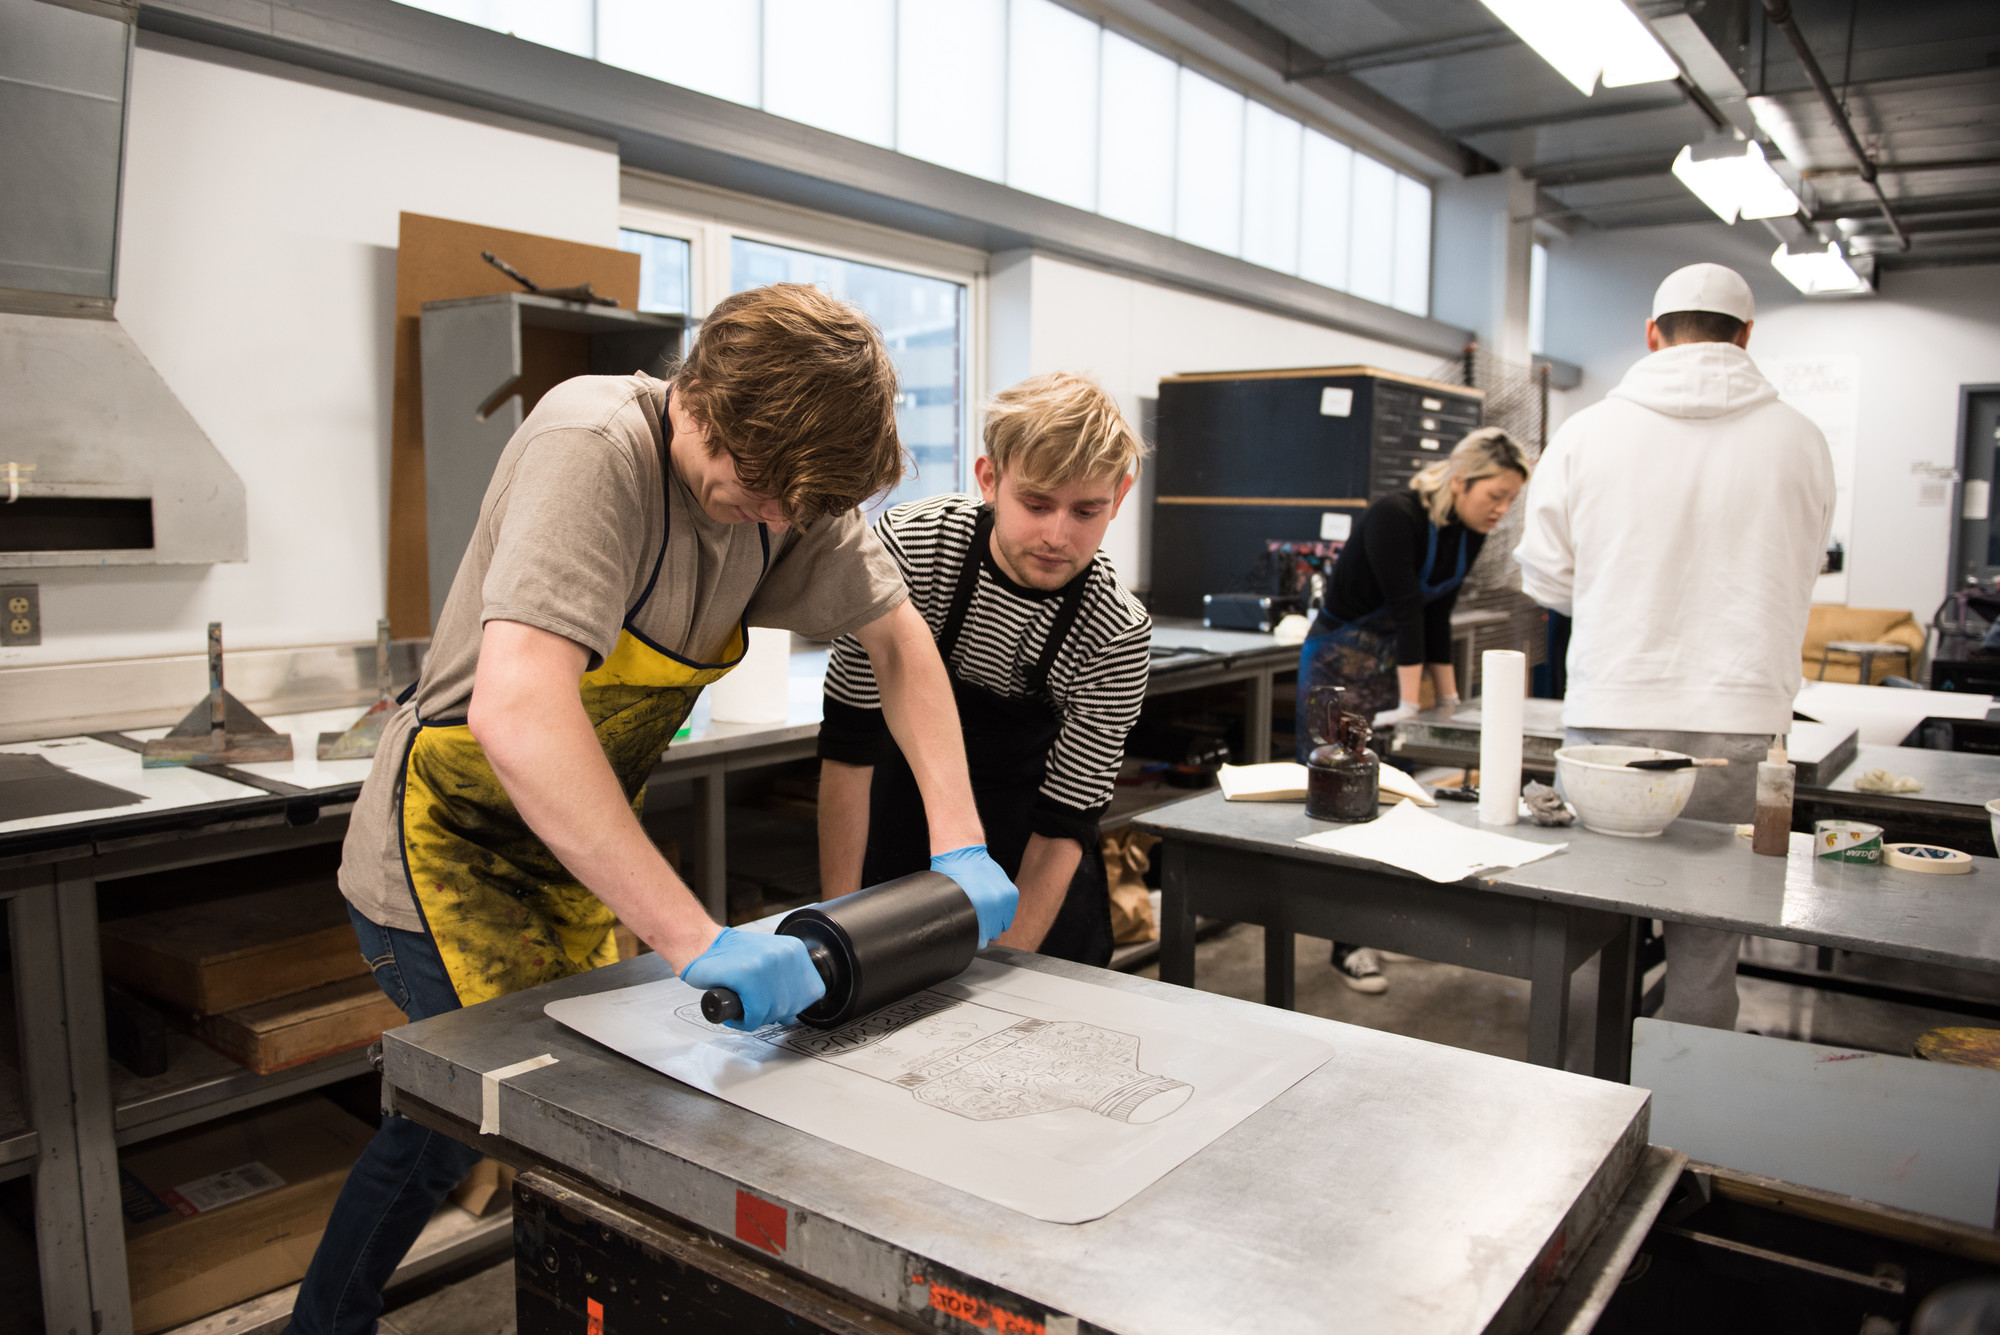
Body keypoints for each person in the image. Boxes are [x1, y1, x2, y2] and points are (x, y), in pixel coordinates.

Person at [291, 285, 1018, 1335]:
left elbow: (898, 640)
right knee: (461, 1120)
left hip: (570, 850)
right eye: (760, 490)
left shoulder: (788, 489)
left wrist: (960, 842)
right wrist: (692, 937)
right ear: (702, 401)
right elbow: (519, 708)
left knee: (602, 1108)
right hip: (445, 847)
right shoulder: (593, 447)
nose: (776, 521)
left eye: (794, 507)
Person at [1514, 261, 1834, 1030]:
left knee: (1590, 926)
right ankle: (1690, 1115)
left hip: (1611, 712)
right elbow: (1805, 564)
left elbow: (1546, 576)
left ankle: (1580, 1109)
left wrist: (1619, 608)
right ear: (1747, 336)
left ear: (1652, 335)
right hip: (1742, 716)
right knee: (1710, 936)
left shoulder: (1588, 430)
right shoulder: (1801, 438)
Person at [816, 373, 1152, 965]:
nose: (1057, 535)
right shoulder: (913, 550)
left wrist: (1005, 971)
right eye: (1037, 504)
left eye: (1086, 511)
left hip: (1033, 857)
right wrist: (840, 927)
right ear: (990, 479)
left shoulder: (1115, 631)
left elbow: (1065, 822)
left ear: (1119, 499)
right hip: (902, 823)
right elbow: (850, 750)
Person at [1296, 427, 1531, 991]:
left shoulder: (1469, 530)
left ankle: (1378, 926)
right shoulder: (1394, 515)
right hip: (1339, 664)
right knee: (1342, 804)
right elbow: (1406, 608)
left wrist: (1447, 703)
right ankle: (1344, 944)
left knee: (1394, 802)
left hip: (1390, 663)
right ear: (1460, 480)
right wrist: (1410, 701)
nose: (1501, 510)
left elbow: (1436, 616)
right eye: (1494, 496)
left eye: (1509, 500)